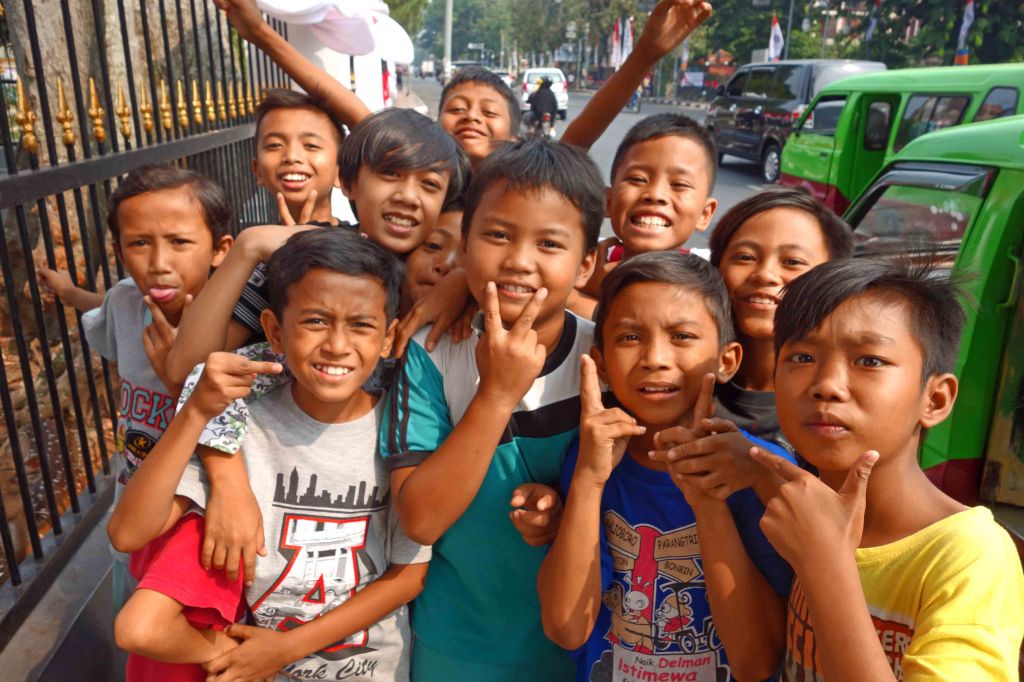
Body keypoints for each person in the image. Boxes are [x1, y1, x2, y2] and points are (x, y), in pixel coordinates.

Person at [108, 227, 431, 681]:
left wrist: (285, 648)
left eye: (360, 325)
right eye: (315, 321)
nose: (337, 345)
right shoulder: (242, 426)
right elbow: (128, 533)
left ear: (386, 337)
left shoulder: (402, 430)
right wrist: (195, 410)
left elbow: (408, 575)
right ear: (274, 332)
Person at [380, 137, 601, 681]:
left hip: (586, 642)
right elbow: (422, 518)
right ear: (465, 242)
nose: (519, 261)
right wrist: (496, 395)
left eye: (550, 244)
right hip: (458, 644)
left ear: (586, 263)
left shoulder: (605, 357)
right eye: (497, 235)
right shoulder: (430, 353)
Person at [752, 258, 1024, 680]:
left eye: (870, 361)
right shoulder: (802, 512)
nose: (826, 384)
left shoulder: (968, 554)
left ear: (934, 400)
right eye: (802, 356)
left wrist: (827, 565)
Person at [538, 252, 793, 682]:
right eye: (630, 338)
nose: (655, 357)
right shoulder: (591, 460)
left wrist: (706, 498)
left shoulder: (760, 472)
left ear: (727, 361)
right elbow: (566, 628)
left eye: (681, 336)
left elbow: (758, 662)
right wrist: (587, 480)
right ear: (600, 364)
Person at [40, 165, 233, 609]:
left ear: (221, 249)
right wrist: (70, 294)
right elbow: (106, 306)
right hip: (136, 499)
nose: (159, 263)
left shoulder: (235, 320)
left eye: (180, 242)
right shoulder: (127, 300)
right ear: (119, 250)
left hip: (202, 516)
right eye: (140, 243)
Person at [165, 106, 469, 386]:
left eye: (429, 184)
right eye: (390, 174)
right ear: (347, 183)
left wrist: (463, 281)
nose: (408, 196)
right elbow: (185, 369)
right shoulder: (306, 255)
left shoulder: (445, 266)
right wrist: (249, 245)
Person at [215, 0, 711, 164]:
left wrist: (644, 54)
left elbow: (583, 131)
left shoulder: (519, 178)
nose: (471, 115)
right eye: (457, 107)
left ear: (516, 134)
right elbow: (335, 98)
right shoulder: (418, 166)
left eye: (488, 111)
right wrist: (259, 32)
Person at [708, 187, 854, 452]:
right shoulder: (679, 376)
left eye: (793, 261)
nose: (765, 274)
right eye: (745, 257)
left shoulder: (838, 400)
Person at [571, 113, 719, 318]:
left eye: (680, 185)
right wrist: (582, 284)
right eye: (638, 179)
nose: (656, 195)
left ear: (704, 213)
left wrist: (581, 299)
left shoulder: (709, 285)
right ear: (609, 201)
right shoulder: (579, 266)